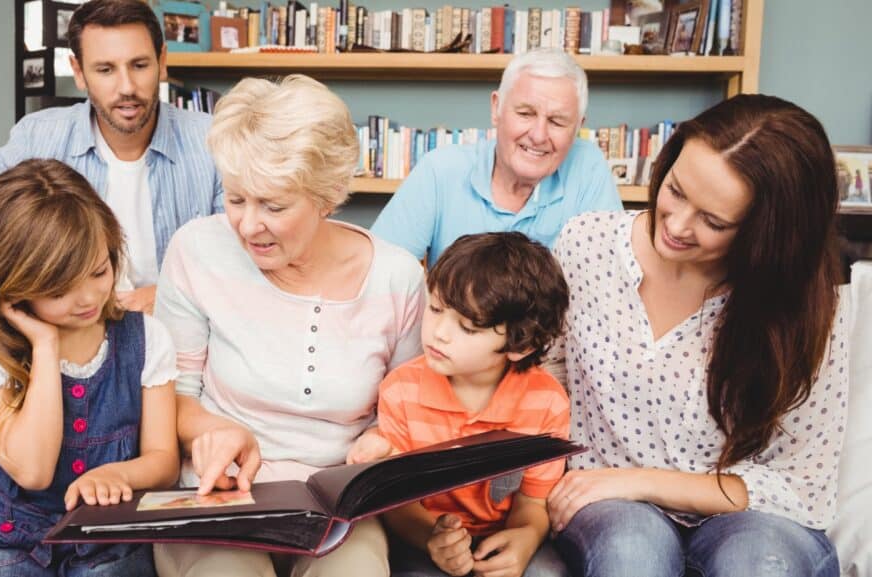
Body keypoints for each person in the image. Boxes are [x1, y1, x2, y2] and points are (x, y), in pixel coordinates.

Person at [547, 94, 848, 577]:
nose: (678, 225)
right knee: (631, 557)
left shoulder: (803, 307)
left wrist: (641, 481)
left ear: (769, 234)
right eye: (676, 190)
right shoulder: (585, 245)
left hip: (752, 516)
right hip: (611, 506)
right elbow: (544, 385)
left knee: (758, 566)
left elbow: (800, 483)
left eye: (714, 221)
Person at [152, 74, 426, 577]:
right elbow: (174, 396)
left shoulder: (397, 277)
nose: (248, 225)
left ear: (327, 196)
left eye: (273, 206)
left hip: (337, 505)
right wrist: (212, 430)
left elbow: (408, 409)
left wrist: (384, 441)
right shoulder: (196, 250)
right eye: (235, 199)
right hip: (217, 494)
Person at [0, 159, 181, 576]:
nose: (88, 298)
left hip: (109, 537)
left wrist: (117, 473)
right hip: (15, 539)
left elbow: (163, 460)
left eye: (99, 271)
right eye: (60, 288)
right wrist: (45, 347)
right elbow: (33, 470)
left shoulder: (147, 339)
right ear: (12, 285)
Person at [0, 0, 223, 315]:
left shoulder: (215, 142)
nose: (126, 87)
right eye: (105, 70)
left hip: (182, 330)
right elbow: (3, 257)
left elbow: (242, 261)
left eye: (140, 65)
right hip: (69, 330)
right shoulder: (33, 141)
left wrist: (169, 294)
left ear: (162, 61)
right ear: (79, 72)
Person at [373, 232, 571, 577]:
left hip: (503, 534)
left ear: (520, 345)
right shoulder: (400, 391)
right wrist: (433, 540)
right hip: (423, 536)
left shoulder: (547, 401)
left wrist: (525, 538)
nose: (439, 333)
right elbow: (397, 505)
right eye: (435, 310)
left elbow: (532, 502)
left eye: (467, 327)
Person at [370, 48, 622, 268]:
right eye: (525, 113)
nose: (538, 135)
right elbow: (380, 274)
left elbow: (609, 279)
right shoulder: (440, 170)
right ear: (496, 109)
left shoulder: (588, 166)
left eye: (557, 121)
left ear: (578, 127)